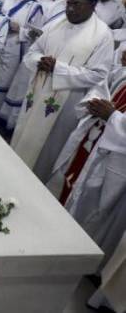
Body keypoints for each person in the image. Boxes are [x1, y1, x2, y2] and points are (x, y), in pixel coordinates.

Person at [11, 0, 114, 177]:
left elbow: (98, 74)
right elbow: (34, 51)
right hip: (38, 92)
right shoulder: (56, 24)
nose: (70, 9)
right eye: (68, 3)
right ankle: (13, 172)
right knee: (24, 136)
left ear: (92, 4)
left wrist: (57, 68)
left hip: (66, 104)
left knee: (47, 150)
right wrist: (40, 60)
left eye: (77, 4)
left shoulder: (102, 34)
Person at [47, 47, 125, 266]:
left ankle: (72, 252)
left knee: (92, 201)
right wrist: (94, 102)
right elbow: (100, 86)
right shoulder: (122, 72)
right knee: (70, 179)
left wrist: (113, 117)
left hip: (114, 156)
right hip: (92, 137)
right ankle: (54, 231)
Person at [0, 0, 44, 125]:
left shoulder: (35, 7)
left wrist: (20, 29)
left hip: (17, 46)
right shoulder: (7, 0)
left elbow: (37, 32)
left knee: (6, 78)